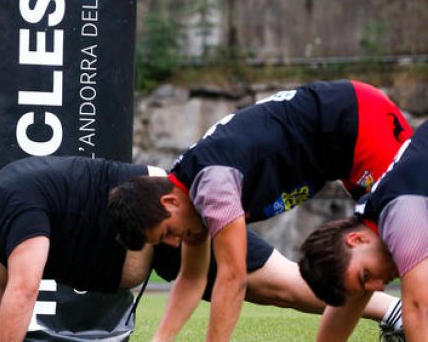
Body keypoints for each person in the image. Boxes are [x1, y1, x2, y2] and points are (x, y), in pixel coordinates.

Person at [0, 156, 402, 342]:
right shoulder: (3, 203)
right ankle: (392, 311)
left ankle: (394, 311)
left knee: (281, 287)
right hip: (155, 233)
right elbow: (3, 291)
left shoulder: (12, 207)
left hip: (165, 221)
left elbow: (23, 291)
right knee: (274, 290)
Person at [108, 80, 411, 342]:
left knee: (403, 246)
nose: (174, 243)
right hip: (344, 134)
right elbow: (191, 279)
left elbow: (233, 278)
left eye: (168, 233)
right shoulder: (189, 199)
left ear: (169, 203)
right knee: (370, 264)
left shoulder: (213, 184)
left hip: (358, 119)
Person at [299, 122, 428, 341]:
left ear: (356, 240)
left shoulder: (400, 212)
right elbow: (355, 298)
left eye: (365, 275)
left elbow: (418, 308)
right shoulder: (374, 219)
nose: (378, 287)